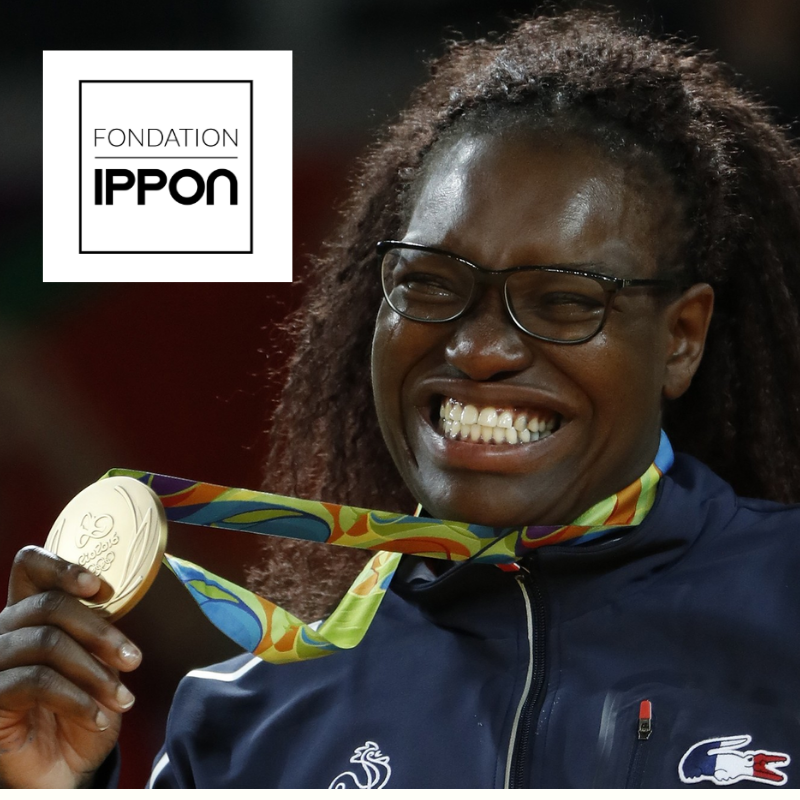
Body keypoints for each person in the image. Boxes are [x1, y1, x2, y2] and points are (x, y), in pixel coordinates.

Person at [2, 8, 800, 788]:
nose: (478, 348)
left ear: (681, 338)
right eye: (430, 285)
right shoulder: (249, 726)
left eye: (563, 300)